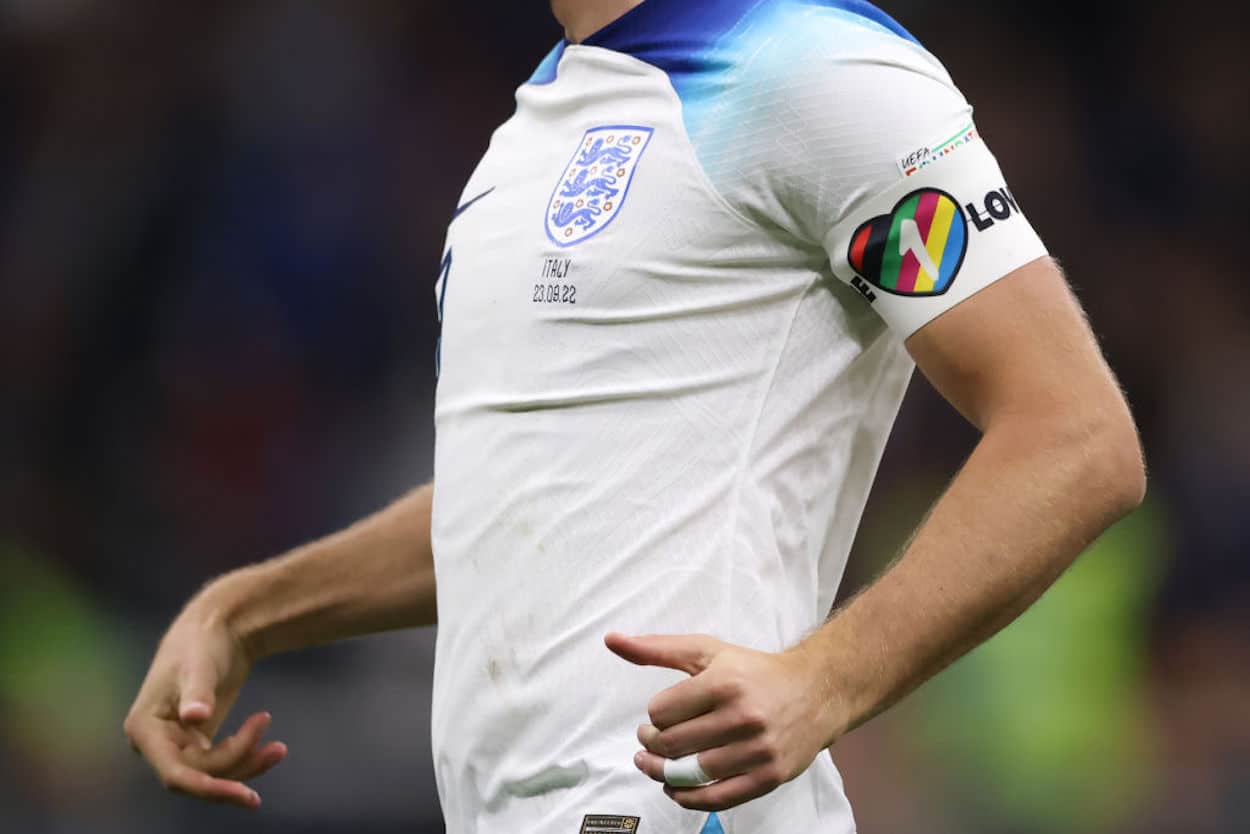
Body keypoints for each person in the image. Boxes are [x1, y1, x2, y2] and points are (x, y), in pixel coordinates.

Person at [124, 1, 1146, 832]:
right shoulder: (524, 137)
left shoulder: (816, 67)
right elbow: (526, 500)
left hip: (683, 812)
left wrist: (826, 679)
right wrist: (243, 611)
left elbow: (1076, 436)